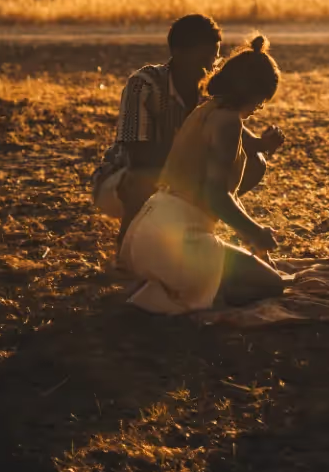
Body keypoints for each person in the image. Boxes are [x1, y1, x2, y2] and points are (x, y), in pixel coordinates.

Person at [120, 35, 291, 313]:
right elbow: (215, 196)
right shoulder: (227, 122)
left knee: (249, 271)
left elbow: (218, 189)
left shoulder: (206, 109)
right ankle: (173, 293)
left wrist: (249, 232)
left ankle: (163, 284)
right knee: (271, 285)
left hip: (148, 229)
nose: (259, 109)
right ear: (252, 93)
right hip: (179, 240)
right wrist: (255, 233)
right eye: (261, 102)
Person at [90, 14, 223, 241]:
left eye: (214, 58)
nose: (210, 66)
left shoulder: (211, 92)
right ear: (178, 53)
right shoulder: (145, 83)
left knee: (250, 164)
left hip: (178, 177)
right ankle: (125, 251)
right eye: (203, 59)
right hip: (121, 182)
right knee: (145, 177)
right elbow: (139, 155)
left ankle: (191, 233)